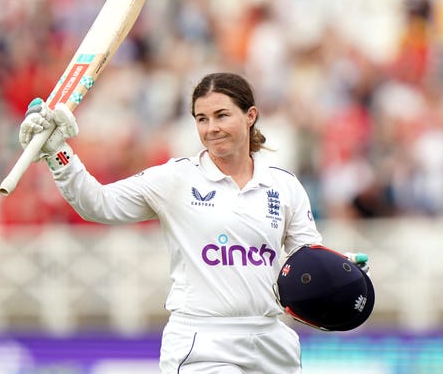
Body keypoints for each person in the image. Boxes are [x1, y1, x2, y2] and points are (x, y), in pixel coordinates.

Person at [18, 72, 367, 373]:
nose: (211, 128)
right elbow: (98, 204)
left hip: (271, 339)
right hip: (202, 339)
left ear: (250, 116)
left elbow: (305, 256)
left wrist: (338, 269)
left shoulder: (283, 184)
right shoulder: (175, 178)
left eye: (221, 115)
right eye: (201, 119)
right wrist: (58, 151)